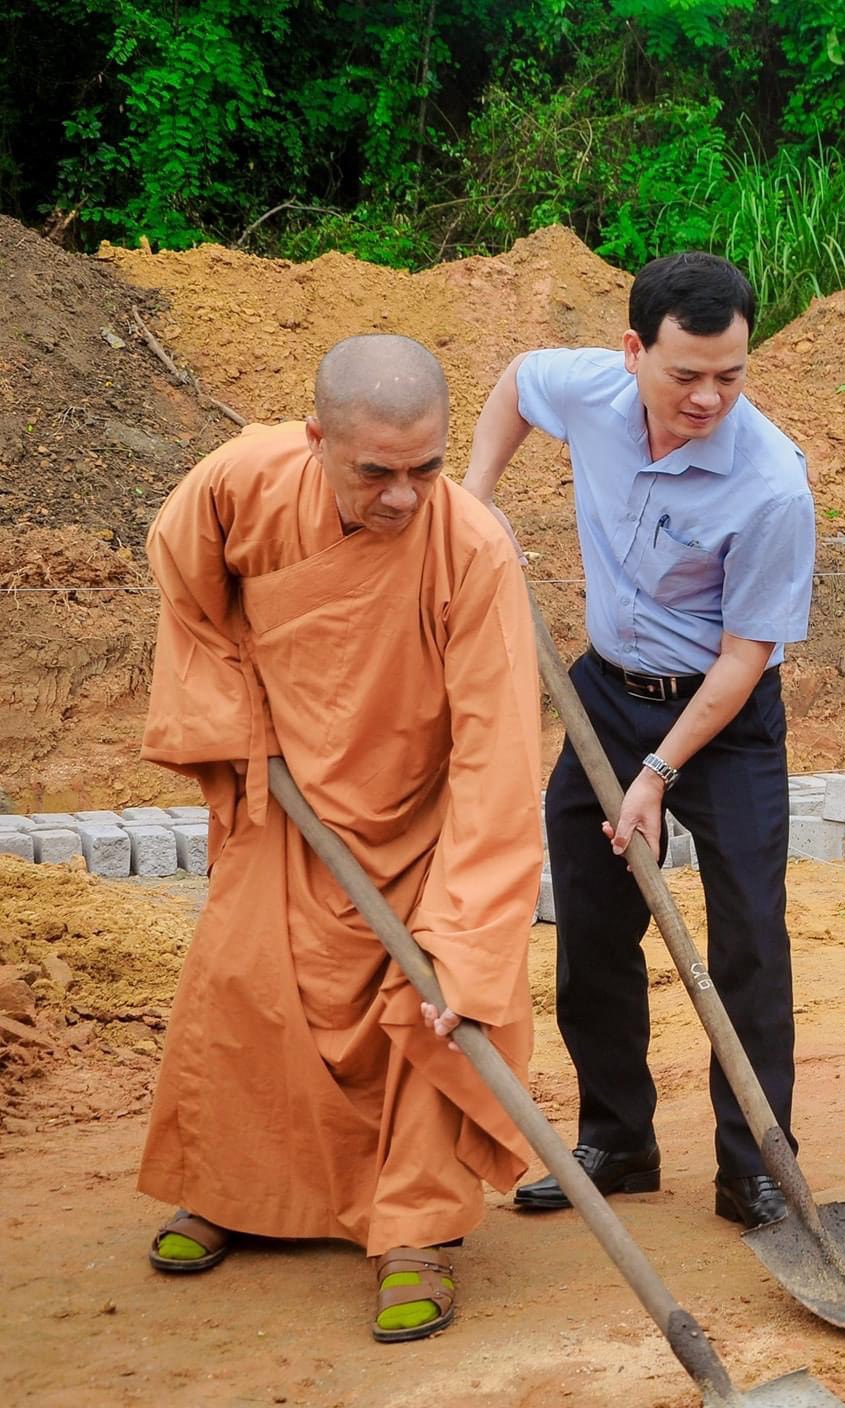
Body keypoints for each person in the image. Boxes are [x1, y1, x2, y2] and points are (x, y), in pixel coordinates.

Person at [138, 335, 543, 1342]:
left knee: (434, 1018)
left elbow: (497, 760)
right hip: (287, 807)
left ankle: (414, 1232)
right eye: (376, 473)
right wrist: (237, 720)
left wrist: (470, 934)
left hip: (418, 828)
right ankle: (238, 1192)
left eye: (426, 470)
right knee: (243, 996)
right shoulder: (241, 481)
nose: (404, 498)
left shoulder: (473, 549)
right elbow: (186, 591)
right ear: (318, 438)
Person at [462, 253, 814, 1230]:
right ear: (632, 352)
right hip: (607, 696)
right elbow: (515, 383)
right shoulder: (591, 388)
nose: (709, 397)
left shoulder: (772, 484)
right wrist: (476, 495)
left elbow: (745, 656)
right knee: (590, 925)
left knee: (748, 939)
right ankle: (617, 1137)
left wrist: (659, 774)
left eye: (731, 375)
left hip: (725, 718)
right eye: (686, 374)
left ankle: (754, 1164)